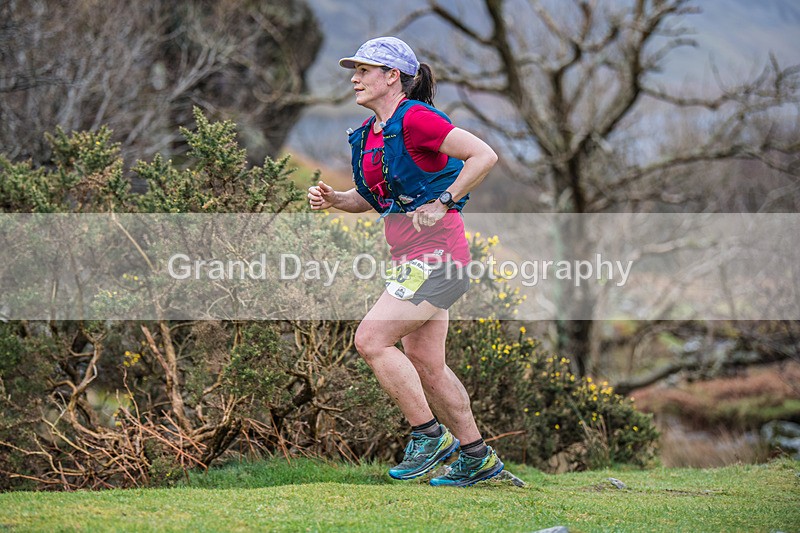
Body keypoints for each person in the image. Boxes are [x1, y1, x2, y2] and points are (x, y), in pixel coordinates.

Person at [307, 36, 502, 487]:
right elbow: (375, 199)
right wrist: (336, 199)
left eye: (365, 70)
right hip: (409, 260)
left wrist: (444, 201)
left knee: (371, 339)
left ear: (392, 76)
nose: (354, 78)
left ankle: (428, 436)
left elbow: (484, 155)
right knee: (426, 362)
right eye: (353, 70)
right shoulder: (370, 135)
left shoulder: (416, 119)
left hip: (439, 259)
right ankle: (477, 458)